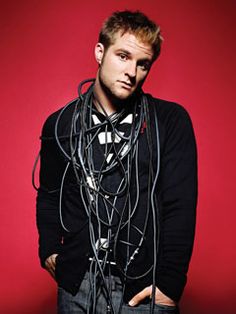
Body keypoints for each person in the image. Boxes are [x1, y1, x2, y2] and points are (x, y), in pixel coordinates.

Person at [35, 10, 197, 314]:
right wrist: (48, 250)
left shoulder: (170, 121)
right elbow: (49, 194)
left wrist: (170, 285)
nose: (131, 72)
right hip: (77, 286)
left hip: (142, 290)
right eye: (122, 56)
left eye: (142, 64)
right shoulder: (61, 124)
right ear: (100, 52)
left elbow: (180, 204)